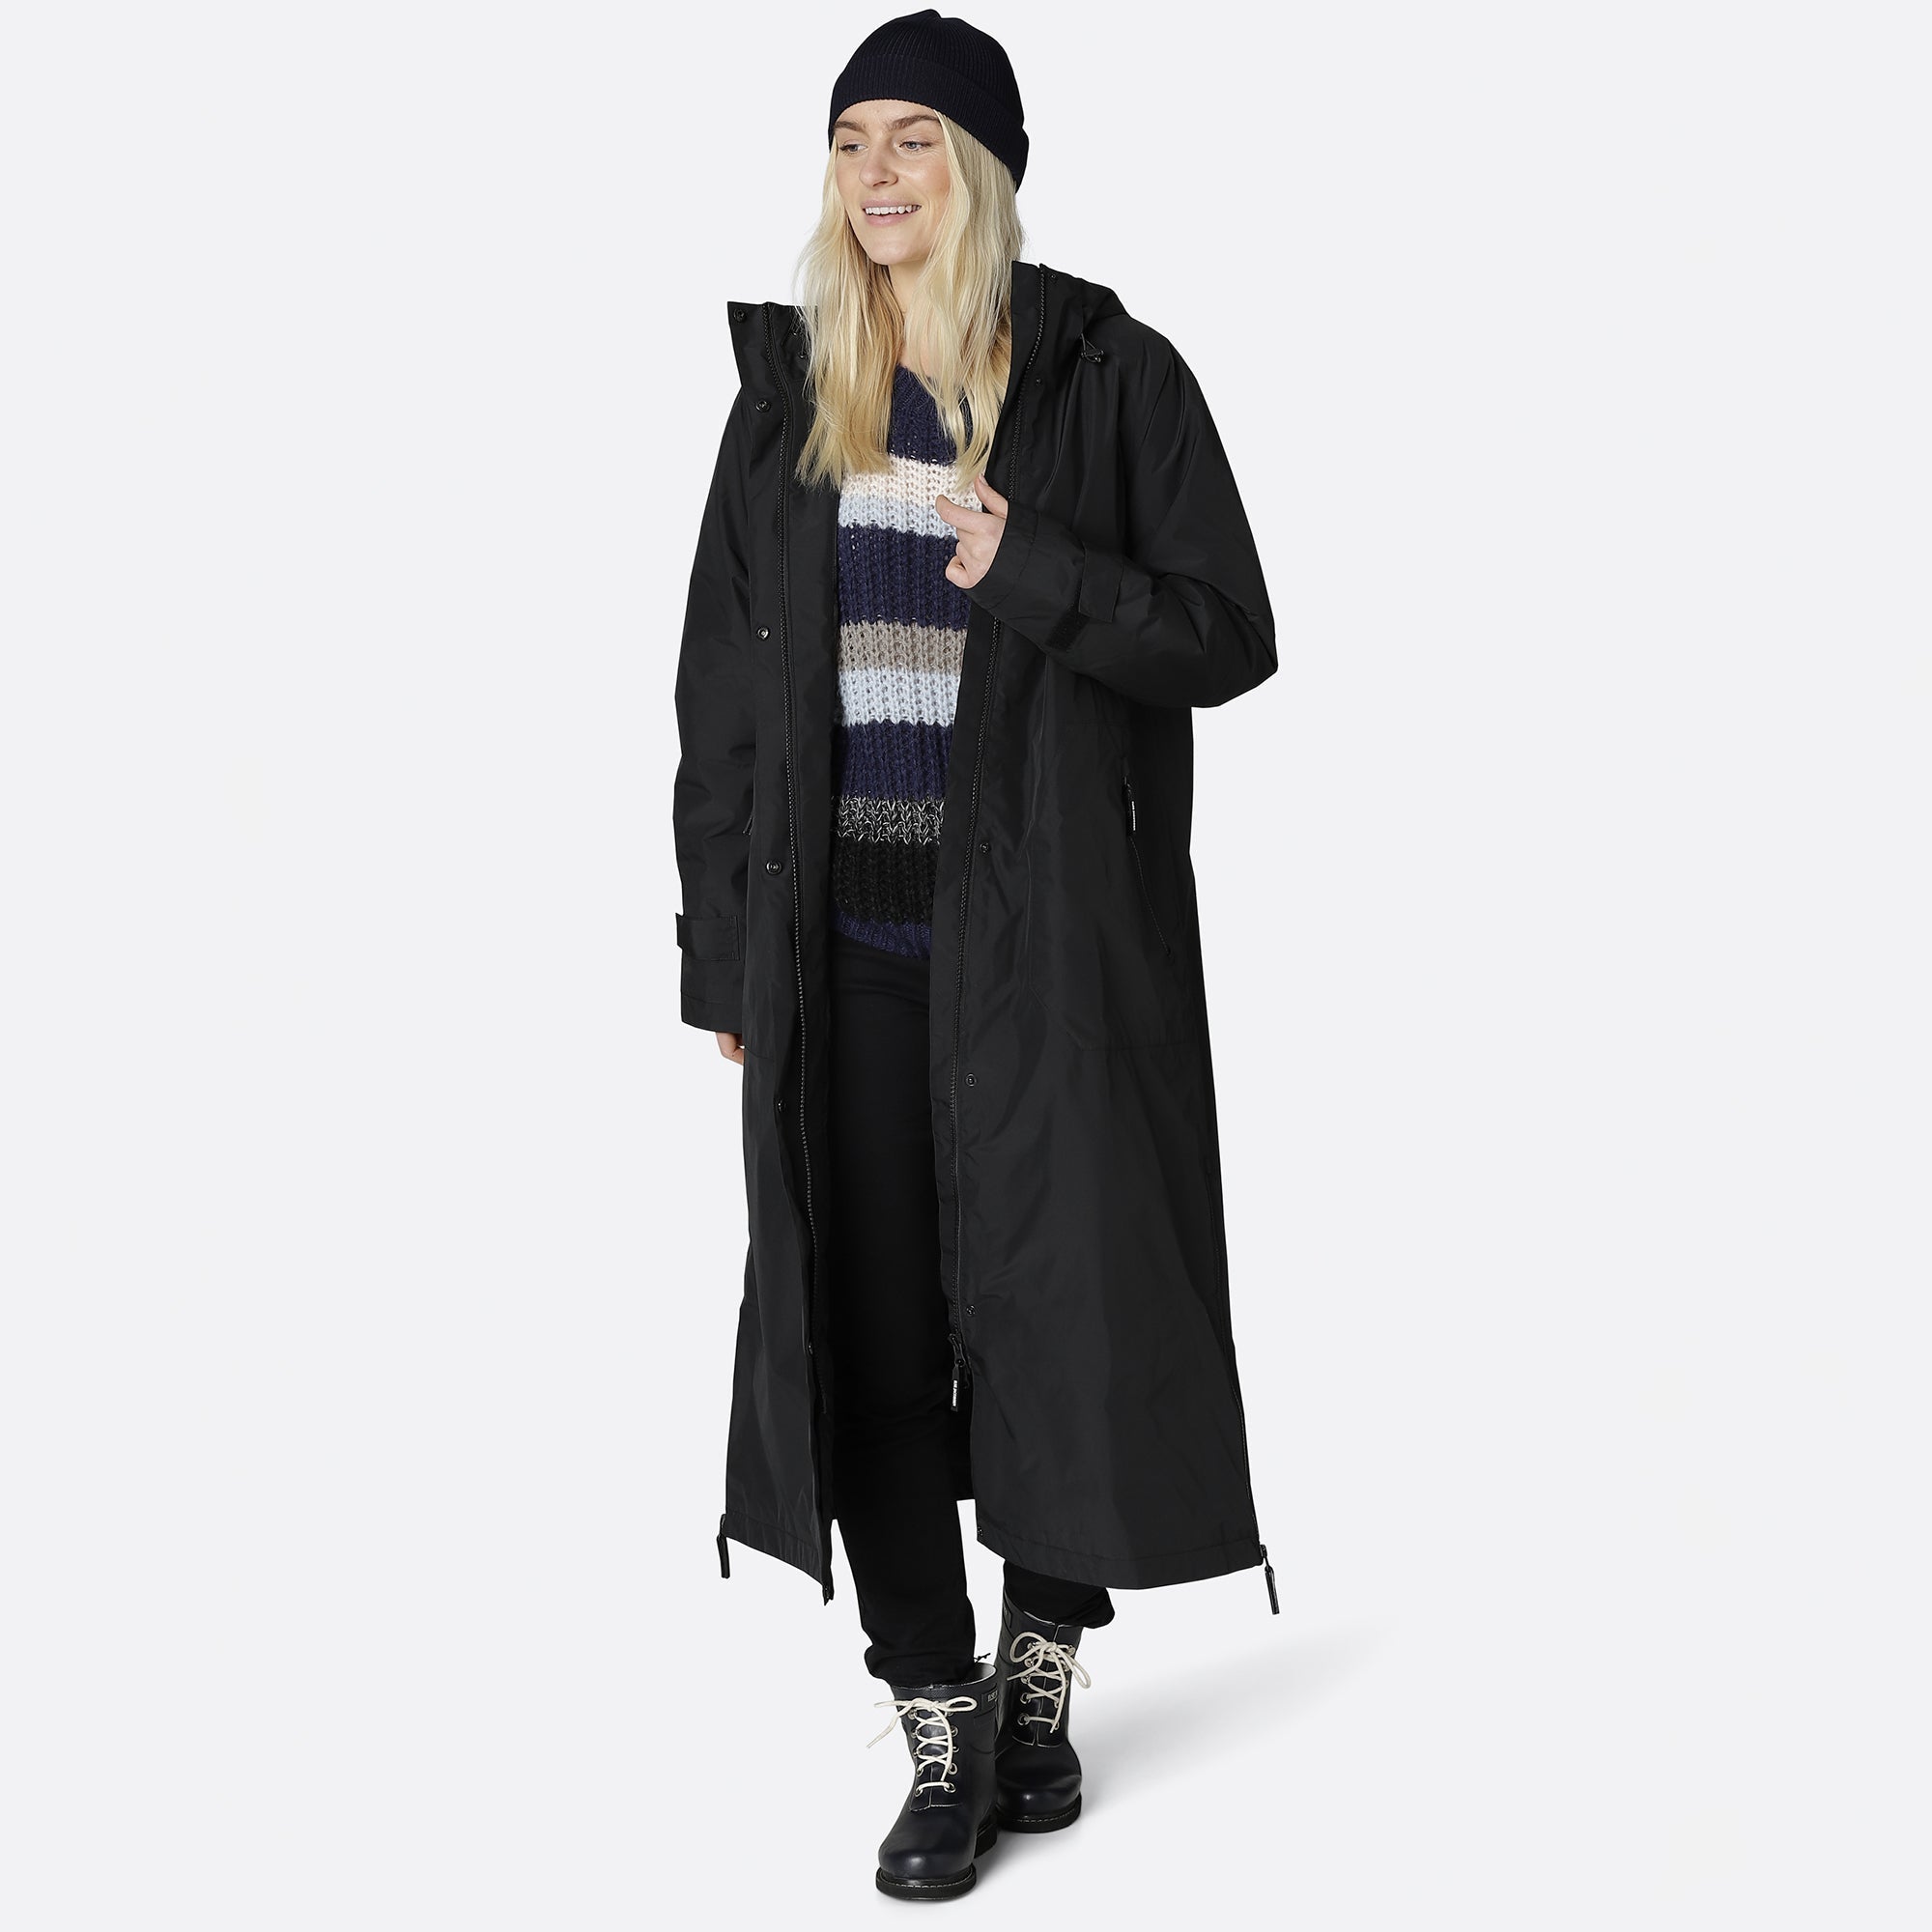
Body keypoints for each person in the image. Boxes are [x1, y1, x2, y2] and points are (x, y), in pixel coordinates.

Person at [671, 8, 1280, 1901]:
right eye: (851, 139)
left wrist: (1032, 567)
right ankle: (934, 1701)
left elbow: (1225, 632)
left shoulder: (1107, 376)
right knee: (861, 1324)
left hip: (1049, 949)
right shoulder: (793, 401)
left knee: (1053, 1308)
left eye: (916, 138)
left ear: (987, 170)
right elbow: (722, 704)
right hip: (843, 953)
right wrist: (723, 960)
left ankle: (1040, 1667)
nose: (877, 173)